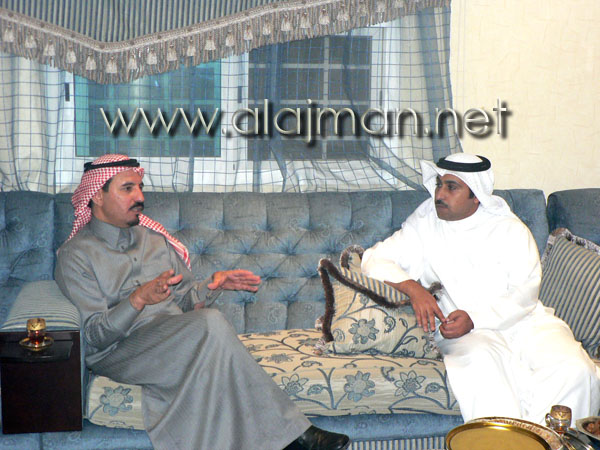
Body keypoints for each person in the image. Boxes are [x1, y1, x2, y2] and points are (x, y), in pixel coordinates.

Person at [55, 154, 350, 450]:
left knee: (210, 338)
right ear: (97, 196)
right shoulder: (76, 255)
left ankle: (287, 438)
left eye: (140, 188)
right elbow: (93, 336)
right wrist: (137, 300)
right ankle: (295, 436)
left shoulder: (153, 240)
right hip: (120, 351)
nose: (140, 197)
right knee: (210, 323)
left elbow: (184, 299)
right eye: (128, 188)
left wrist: (210, 287)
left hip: (175, 336)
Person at [361, 152, 600, 424]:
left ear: (476, 196)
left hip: (524, 323)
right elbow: (373, 259)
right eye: (439, 184)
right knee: (485, 373)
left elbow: (525, 294)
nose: (440, 194)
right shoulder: (425, 221)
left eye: (451, 187)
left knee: (575, 369)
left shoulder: (509, 229)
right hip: (464, 333)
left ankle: (547, 441)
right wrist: (414, 289)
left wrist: (476, 318)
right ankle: (507, 441)